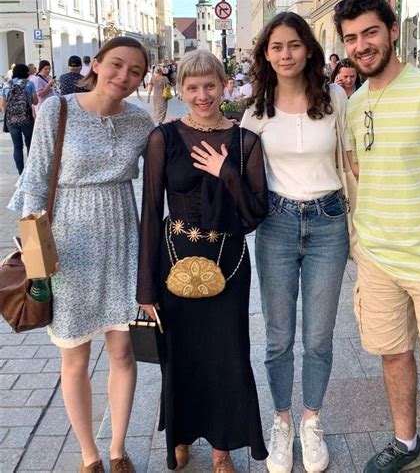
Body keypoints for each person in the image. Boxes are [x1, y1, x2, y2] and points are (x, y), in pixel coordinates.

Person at [333, 0, 420, 472]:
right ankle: (406, 443)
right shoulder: (355, 104)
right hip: (377, 260)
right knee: (393, 356)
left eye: (369, 33)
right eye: (351, 38)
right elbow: (363, 169)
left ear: (392, 31)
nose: (361, 46)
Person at [9, 37, 154, 473]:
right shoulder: (59, 108)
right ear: (97, 64)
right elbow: (34, 179)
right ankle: (89, 453)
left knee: (124, 350)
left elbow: (166, 174)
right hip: (67, 243)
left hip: (122, 237)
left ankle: (118, 447)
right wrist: (34, 249)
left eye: (134, 71)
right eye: (116, 65)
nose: (123, 76)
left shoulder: (140, 122)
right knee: (74, 354)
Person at [137, 49, 268, 473]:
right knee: (181, 355)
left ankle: (221, 445)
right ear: (181, 89)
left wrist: (225, 171)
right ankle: (179, 434)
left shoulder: (246, 142)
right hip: (174, 261)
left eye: (210, 85)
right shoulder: (164, 138)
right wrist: (145, 287)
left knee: (226, 354)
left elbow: (255, 212)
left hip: (228, 263)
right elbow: (151, 211)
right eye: (192, 87)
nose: (202, 95)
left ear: (224, 84)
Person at [241, 12, 351, 473]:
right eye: (276, 47)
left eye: (293, 45)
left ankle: (312, 420)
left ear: (308, 49)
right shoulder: (255, 111)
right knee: (279, 337)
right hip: (277, 226)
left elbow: (350, 159)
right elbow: (241, 177)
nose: (285, 54)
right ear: (266, 55)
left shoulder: (336, 97)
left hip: (329, 223)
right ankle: (282, 420)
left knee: (320, 337)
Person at [1, 64, 38, 174]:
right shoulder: (29, 84)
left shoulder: (6, 85)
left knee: (17, 147)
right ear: (25, 73)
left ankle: (21, 173)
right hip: (26, 119)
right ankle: (30, 171)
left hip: (11, 120)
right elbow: (35, 101)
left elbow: (2, 105)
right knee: (30, 144)